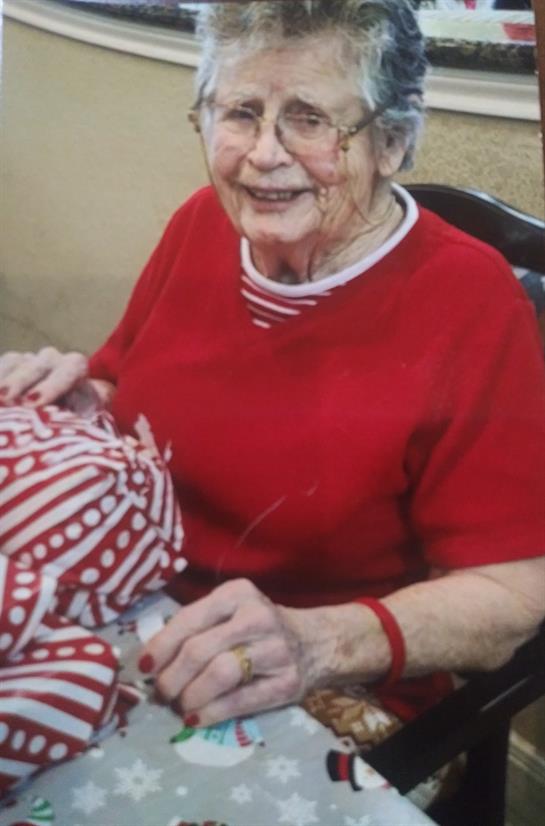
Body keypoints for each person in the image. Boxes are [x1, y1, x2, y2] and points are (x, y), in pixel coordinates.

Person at [1, 0, 544, 740]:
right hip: (132, 600)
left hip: (309, 672)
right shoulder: (202, 222)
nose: (263, 154)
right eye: (240, 112)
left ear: (390, 140)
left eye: (309, 119)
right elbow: (121, 383)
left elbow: (510, 595)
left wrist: (313, 642)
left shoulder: (470, 302)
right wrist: (77, 404)